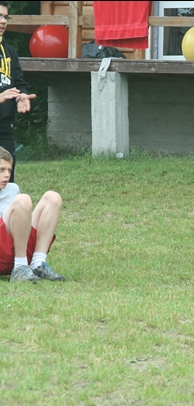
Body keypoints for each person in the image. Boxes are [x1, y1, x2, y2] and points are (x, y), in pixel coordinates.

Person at [0, 146, 64, 282]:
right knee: (22, 200)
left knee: (53, 198)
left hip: (16, 249)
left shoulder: (12, 189)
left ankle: (38, 263)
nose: (7, 175)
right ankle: (20, 267)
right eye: (1, 170)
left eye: (9, 170)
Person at [0, 1, 37, 183]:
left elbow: (19, 83)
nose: (3, 21)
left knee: (6, 180)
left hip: (4, 126)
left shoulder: (9, 52)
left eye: (5, 17)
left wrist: (21, 96)